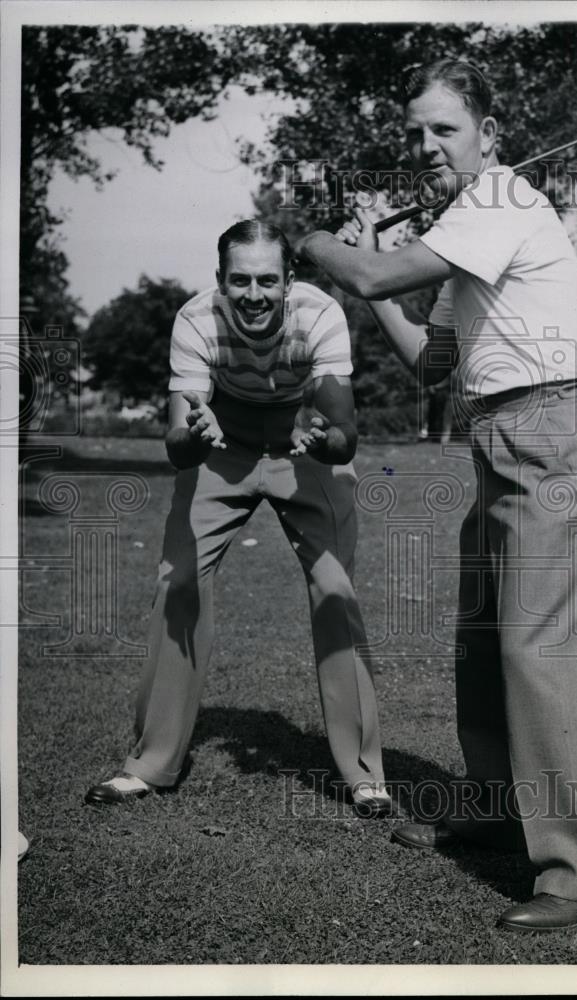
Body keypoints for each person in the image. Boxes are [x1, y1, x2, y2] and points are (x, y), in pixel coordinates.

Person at [295, 59, 577, 931]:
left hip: (553, 434)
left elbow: (368, 276)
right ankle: (496, 810)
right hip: (498, 435)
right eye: (415, 133)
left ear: (489, 135)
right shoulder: (459, 236)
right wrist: (370, 270)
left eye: (444, 129)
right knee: (484, 641)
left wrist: (325, 248)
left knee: (542, 651)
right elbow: (431, 366)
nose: (426, 145)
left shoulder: (499, 202)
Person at [86, 219, 390, 815]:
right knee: (179, 583)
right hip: (221, 449)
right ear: (220, 282)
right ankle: (150, 764)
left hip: (301, 450)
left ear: (289, 280)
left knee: (335, 590)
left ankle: (364, 773)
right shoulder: (196, 319)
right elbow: (178, 443)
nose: (254, 293)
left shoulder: (321, 314)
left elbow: (345, 437)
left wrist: (323, 437)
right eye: (240, 280)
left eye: (267, 280)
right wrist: (195, 436)